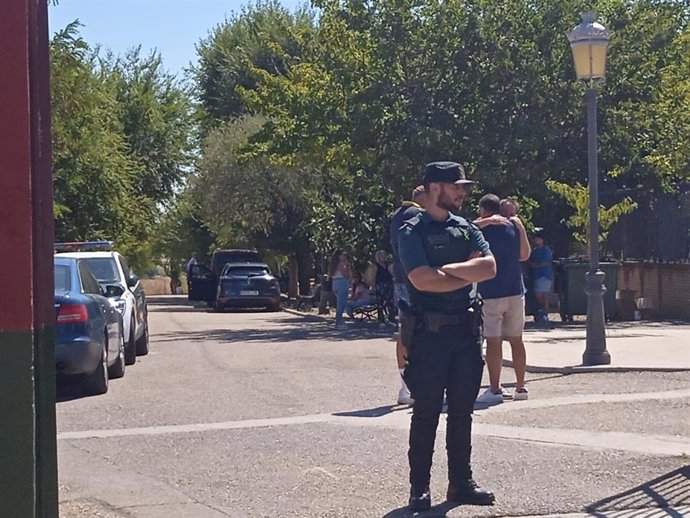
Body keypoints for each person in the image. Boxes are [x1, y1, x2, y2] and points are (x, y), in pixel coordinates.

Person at [398, 161, 497, 511]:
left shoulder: (467, 228)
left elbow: (489, 267)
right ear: (436, 187)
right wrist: (465, 273)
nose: (463, 192)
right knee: (425, 412)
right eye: (457, 186)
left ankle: (461, 483)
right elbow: (421, 280)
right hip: (429, 335)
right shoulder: (411, 230)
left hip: (466, 334)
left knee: (462, 412)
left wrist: (447, 272)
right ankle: (419, 488)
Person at [473, 194, 531, 405]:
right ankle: (520, 386)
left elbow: (468, 244)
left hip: (491, 291)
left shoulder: (480, 230)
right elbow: (524, 255)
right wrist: (521, 227)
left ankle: (495, 388)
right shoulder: (513, 227)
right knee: (517, 340)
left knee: (493, 341)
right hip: (515, 290)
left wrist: (484, 222)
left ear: (482, 210)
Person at [390, 185, 427, 405]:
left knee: (406, 330)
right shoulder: (417, 215)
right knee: (422, 330)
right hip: (416, 280)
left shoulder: (397, 216)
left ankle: (405, 387)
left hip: (401, 279)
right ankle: (418, 387)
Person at [528, 231, 553, 324]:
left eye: (538, 239)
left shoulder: (546, 250)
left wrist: (536, 266)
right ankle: (541, 312)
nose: (536, 240)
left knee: (544, 295)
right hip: (536, 276)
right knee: (538, 295)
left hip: (544, 276)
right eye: (536, 239)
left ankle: (545, 314)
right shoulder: (534, 251)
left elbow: (545, 262)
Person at [328, 249, 351, 329]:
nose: (345, 257)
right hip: (341, 283)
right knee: (340, 305)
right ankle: (338, 323)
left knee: (339, 303)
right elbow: (346, 275)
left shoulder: (333, 265)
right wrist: (347, 267)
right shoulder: (341, 264)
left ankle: (340, 321)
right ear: (339, 256)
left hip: (335, 283)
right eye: (343, 255)